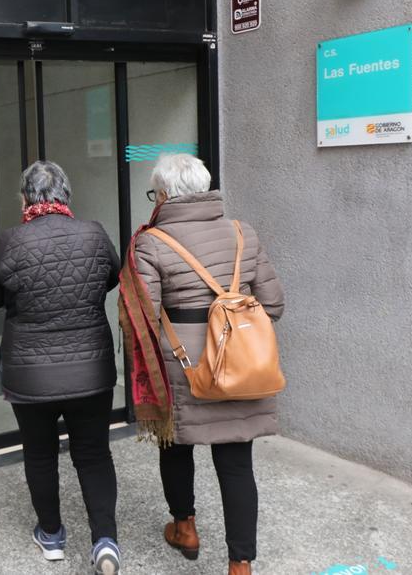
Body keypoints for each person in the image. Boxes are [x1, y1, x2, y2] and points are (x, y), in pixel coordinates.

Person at [122, 153, 284, 575]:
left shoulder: (152, 243)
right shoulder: (241, 232)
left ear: (162, 195)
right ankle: (240, 565)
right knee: (236, 463)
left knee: (174, 447)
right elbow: (274, 305)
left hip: (183, 367)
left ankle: (185, 528)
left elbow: (141, 317)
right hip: (239, 364)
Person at [0, 160, 123, 575]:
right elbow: (112, 277)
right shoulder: (94, 232)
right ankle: (105, 540)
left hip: (30, 373)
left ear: (26, 198)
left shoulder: (11, 241)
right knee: (93, 453)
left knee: (40, 453)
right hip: (91, 368)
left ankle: (52, 536)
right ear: (65, 195)